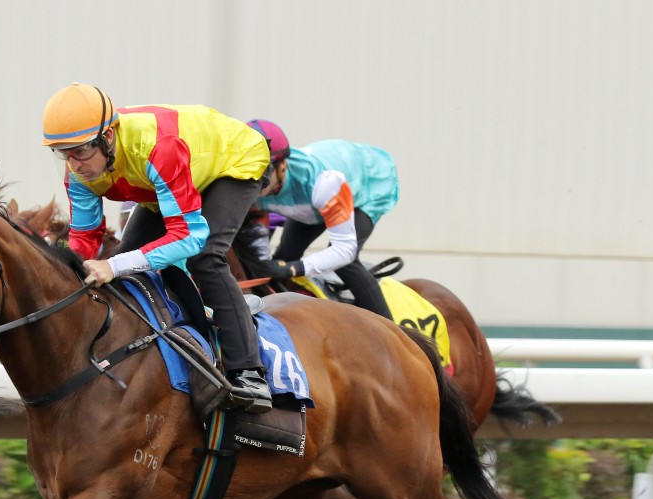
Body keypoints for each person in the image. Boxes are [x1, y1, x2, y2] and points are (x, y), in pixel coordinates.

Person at [41, 83, 272, 413]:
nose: (74, 165)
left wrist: (114, 265)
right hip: (173, 178)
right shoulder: (79, 172)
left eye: (80, 151)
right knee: (124, 266)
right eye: (64, 153)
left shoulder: (157, 148)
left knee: (204, 256)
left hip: (232, 162)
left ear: (107, 137)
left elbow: (189, 237)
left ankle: (249, 372)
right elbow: (85, 238)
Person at [238, 120, 396, 320]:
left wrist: (296, 268)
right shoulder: (258, 184)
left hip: (368, 185)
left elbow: (344, 250)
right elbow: (263, 230)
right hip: (311, 200)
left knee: (344, 264)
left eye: (263, 171)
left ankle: (394, 330)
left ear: (282, 166)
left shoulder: (323, 183)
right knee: (284, 257)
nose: (254, 180)